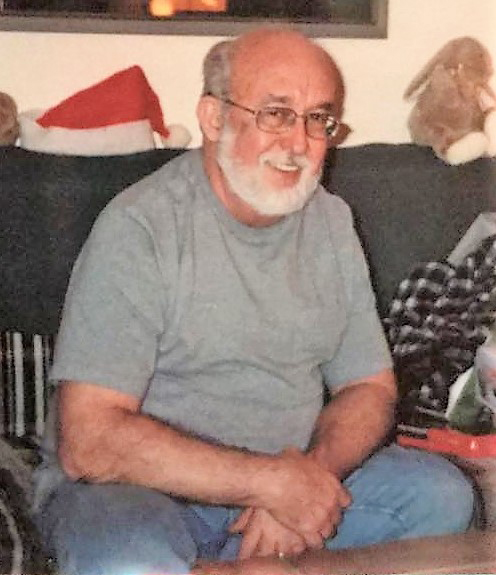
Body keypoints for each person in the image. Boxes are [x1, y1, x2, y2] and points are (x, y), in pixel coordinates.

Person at [33, 26, 475, 575]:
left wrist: (310, 482)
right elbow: (91, 442)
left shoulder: (331, 223)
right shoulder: (140, 227)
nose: (300, 143)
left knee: (440, 496)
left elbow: (368, 388)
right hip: (140, 496)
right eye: (276, 114)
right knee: (128, 562)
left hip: (287, 485)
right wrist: (266, 483)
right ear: (214, 118)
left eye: (318, 118)